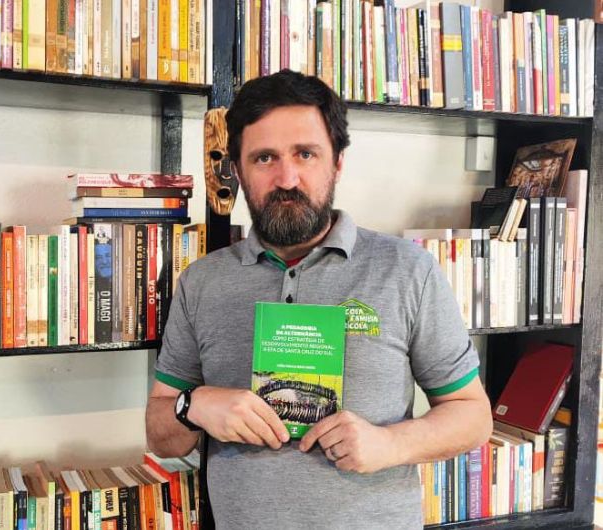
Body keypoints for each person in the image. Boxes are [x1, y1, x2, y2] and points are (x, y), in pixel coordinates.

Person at [145, 70, 493, 529]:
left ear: (337, 163)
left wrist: (390, 444)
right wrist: (193, 405)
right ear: (238, 170)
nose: (287, 178)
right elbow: (161, 436)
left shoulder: (408, 270)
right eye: (264, 158)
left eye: (305, 154)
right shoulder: (202, 282)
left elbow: (473, 416)